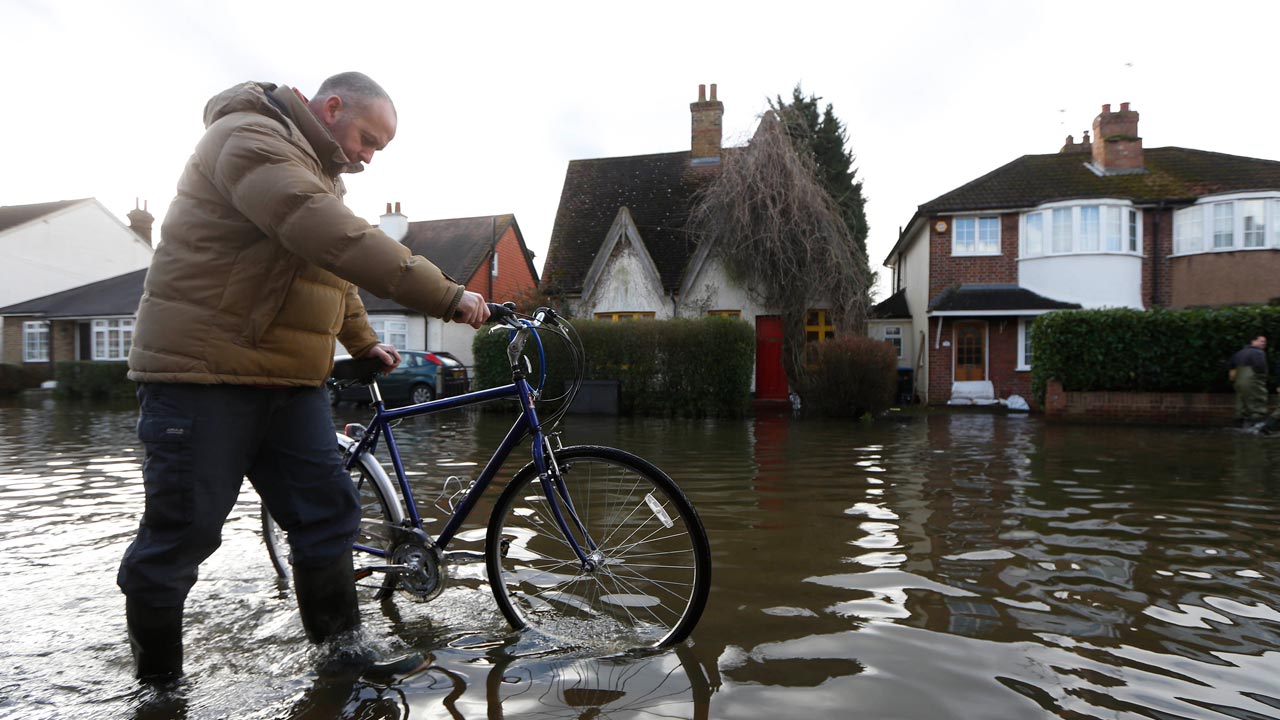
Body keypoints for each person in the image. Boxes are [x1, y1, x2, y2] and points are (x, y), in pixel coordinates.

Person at [118, 72, 490, 684]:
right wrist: (445, 295)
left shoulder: (322, 176)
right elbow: (324, 232)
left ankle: (341, 656)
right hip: (205, 376)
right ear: (333, 106)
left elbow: (329, 272)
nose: (370, 155)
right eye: (369, 137)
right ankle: (158, 687)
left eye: (379, 148)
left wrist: (365, 343)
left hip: (291, 385)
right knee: (183, 535)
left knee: (327, 516)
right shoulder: (247, 138)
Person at [1228, 334, 1268, 427]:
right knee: (1256, 403)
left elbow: (1231, 368)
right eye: (1261, 341)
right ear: (1253, 341)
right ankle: (1256, 426)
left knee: (1241, 404)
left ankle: (1240, 425)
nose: (1264, 344)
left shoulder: (1239, 353)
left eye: (1265, 342)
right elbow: (1261, 368)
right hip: (1253, 381)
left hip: (1239, 383)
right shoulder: (1259, 353)